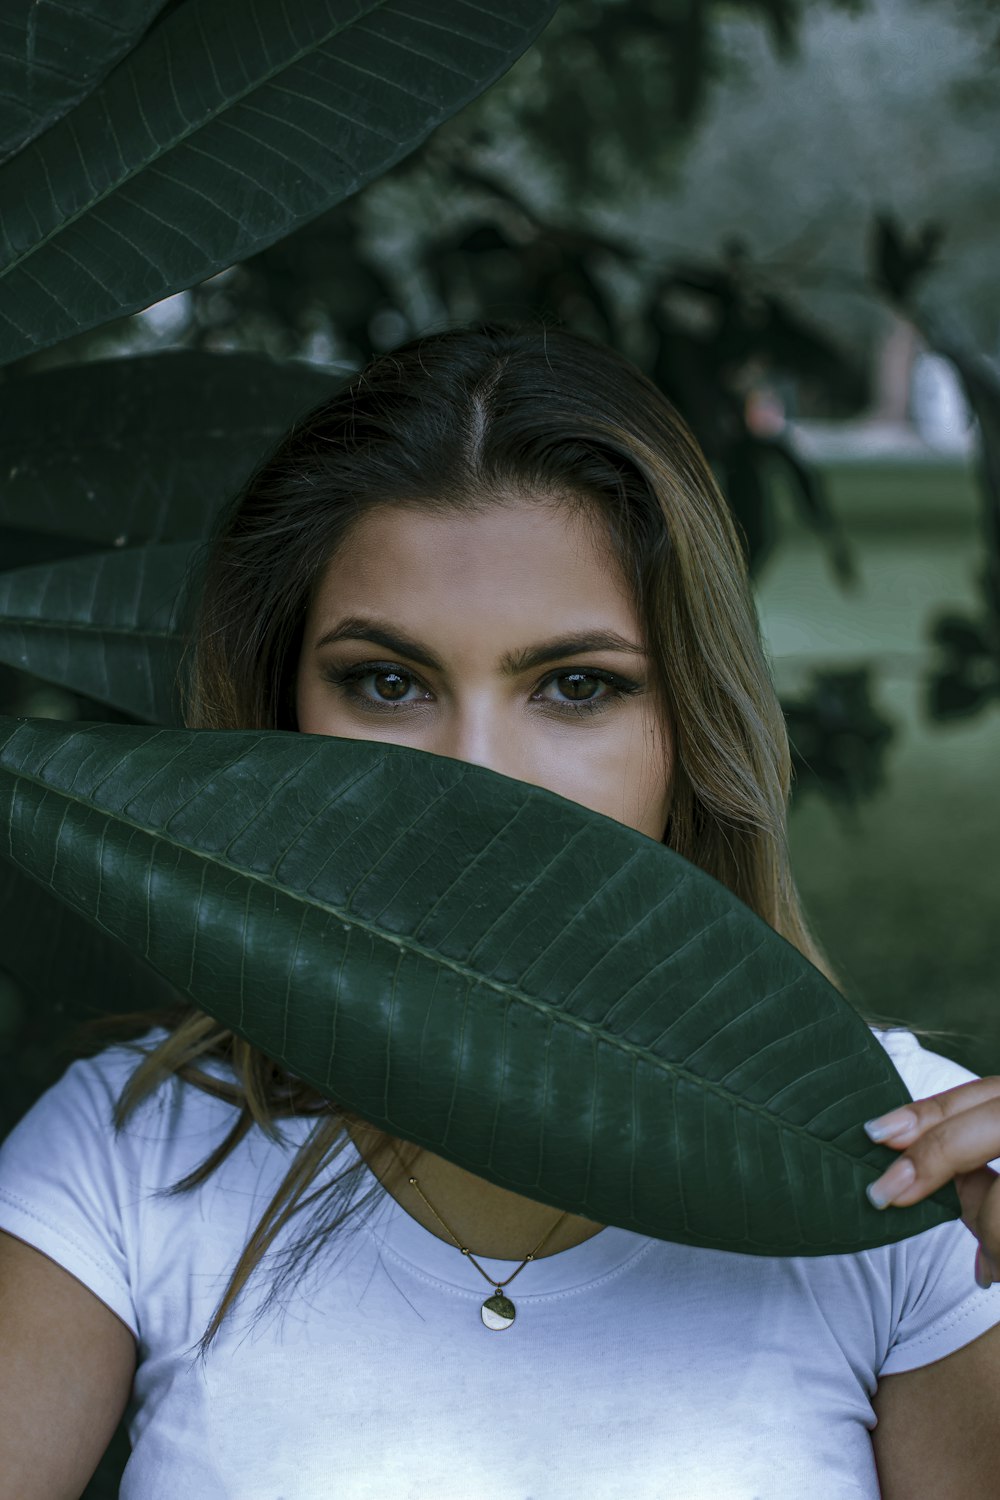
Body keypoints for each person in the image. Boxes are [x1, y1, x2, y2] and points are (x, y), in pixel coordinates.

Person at [1, 320, 998, 1499]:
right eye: (386, 683)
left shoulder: (917, 1176)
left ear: (690, 732)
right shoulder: (136, 1151)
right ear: (278, 726)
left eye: (575, 687)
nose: (471, 782)